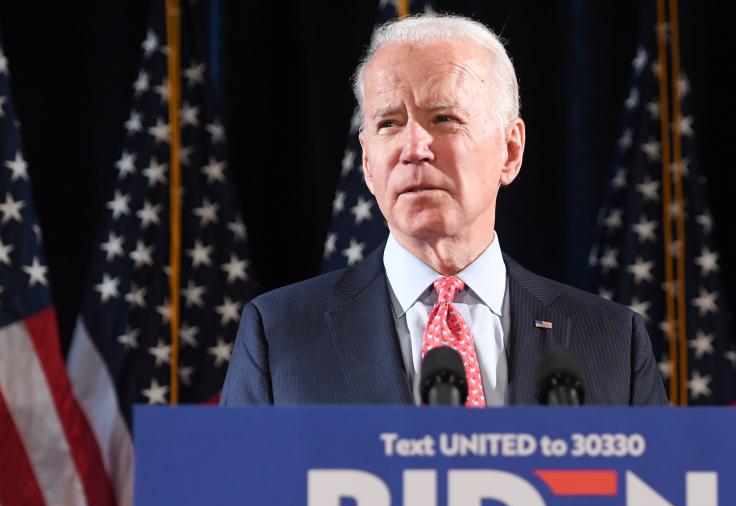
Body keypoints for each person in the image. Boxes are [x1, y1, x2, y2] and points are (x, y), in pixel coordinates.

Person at [221, 14, 665, 408]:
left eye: (444, 119)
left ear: (510, 150)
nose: (413, 148)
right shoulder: (279, 335)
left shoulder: (611, 341)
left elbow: (652, 496)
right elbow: (240, 497)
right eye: (389, 124)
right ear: (368, 164)